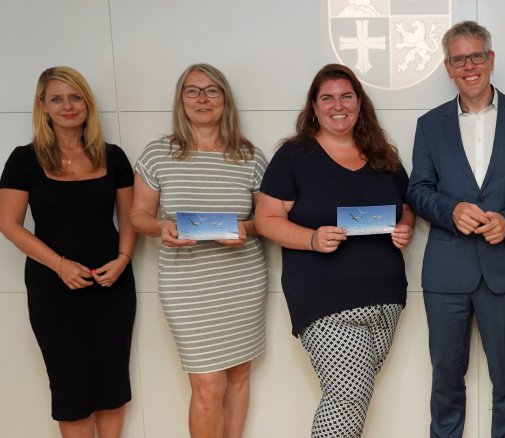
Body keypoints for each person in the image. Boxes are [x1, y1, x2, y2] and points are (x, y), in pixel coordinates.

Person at [407, 20, 505, 438]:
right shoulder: (429, 124)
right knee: (445, 381)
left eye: (476, 56)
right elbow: (417, 190)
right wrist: (450, 210)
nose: (469, 66)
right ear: (448, 67)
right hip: (446, 274)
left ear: (490, 60)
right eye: (459, 59)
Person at [255, 63, 415, 438]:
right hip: (325, 301)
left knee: (351, 400)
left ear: (360, 103)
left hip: (385, 300)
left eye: (346, 96)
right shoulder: (295, 156)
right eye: (327, 98)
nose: (337, 105)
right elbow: (266, 218)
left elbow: (406, 205)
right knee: (347, 399)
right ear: (313, 106)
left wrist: (405, 226)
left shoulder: (382, 155)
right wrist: (311, 238)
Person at [130, 64, 268, 438]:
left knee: (239, 373)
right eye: (192, 91)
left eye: (212, 91)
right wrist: (161, 227)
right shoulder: (159, 153)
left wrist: (247, 228)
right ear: (181, 100)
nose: (202, 99)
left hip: (241, 279)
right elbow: (138, 216)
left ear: (225, 99)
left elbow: (267, 220)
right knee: (207, 384)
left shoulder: (249, 156)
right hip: (187, 284)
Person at [0, 66, 137, 438]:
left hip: (111, 284)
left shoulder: (114, 156)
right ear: (42, 105)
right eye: (57, 98)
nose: (67, 106)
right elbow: (9, 224)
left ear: (87, 103)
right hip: (53, 288)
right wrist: (60, 266)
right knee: (70, 387)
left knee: (111, 386)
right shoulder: (23, 159)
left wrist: (123, 260)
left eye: (75, 97)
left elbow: (129, 220)